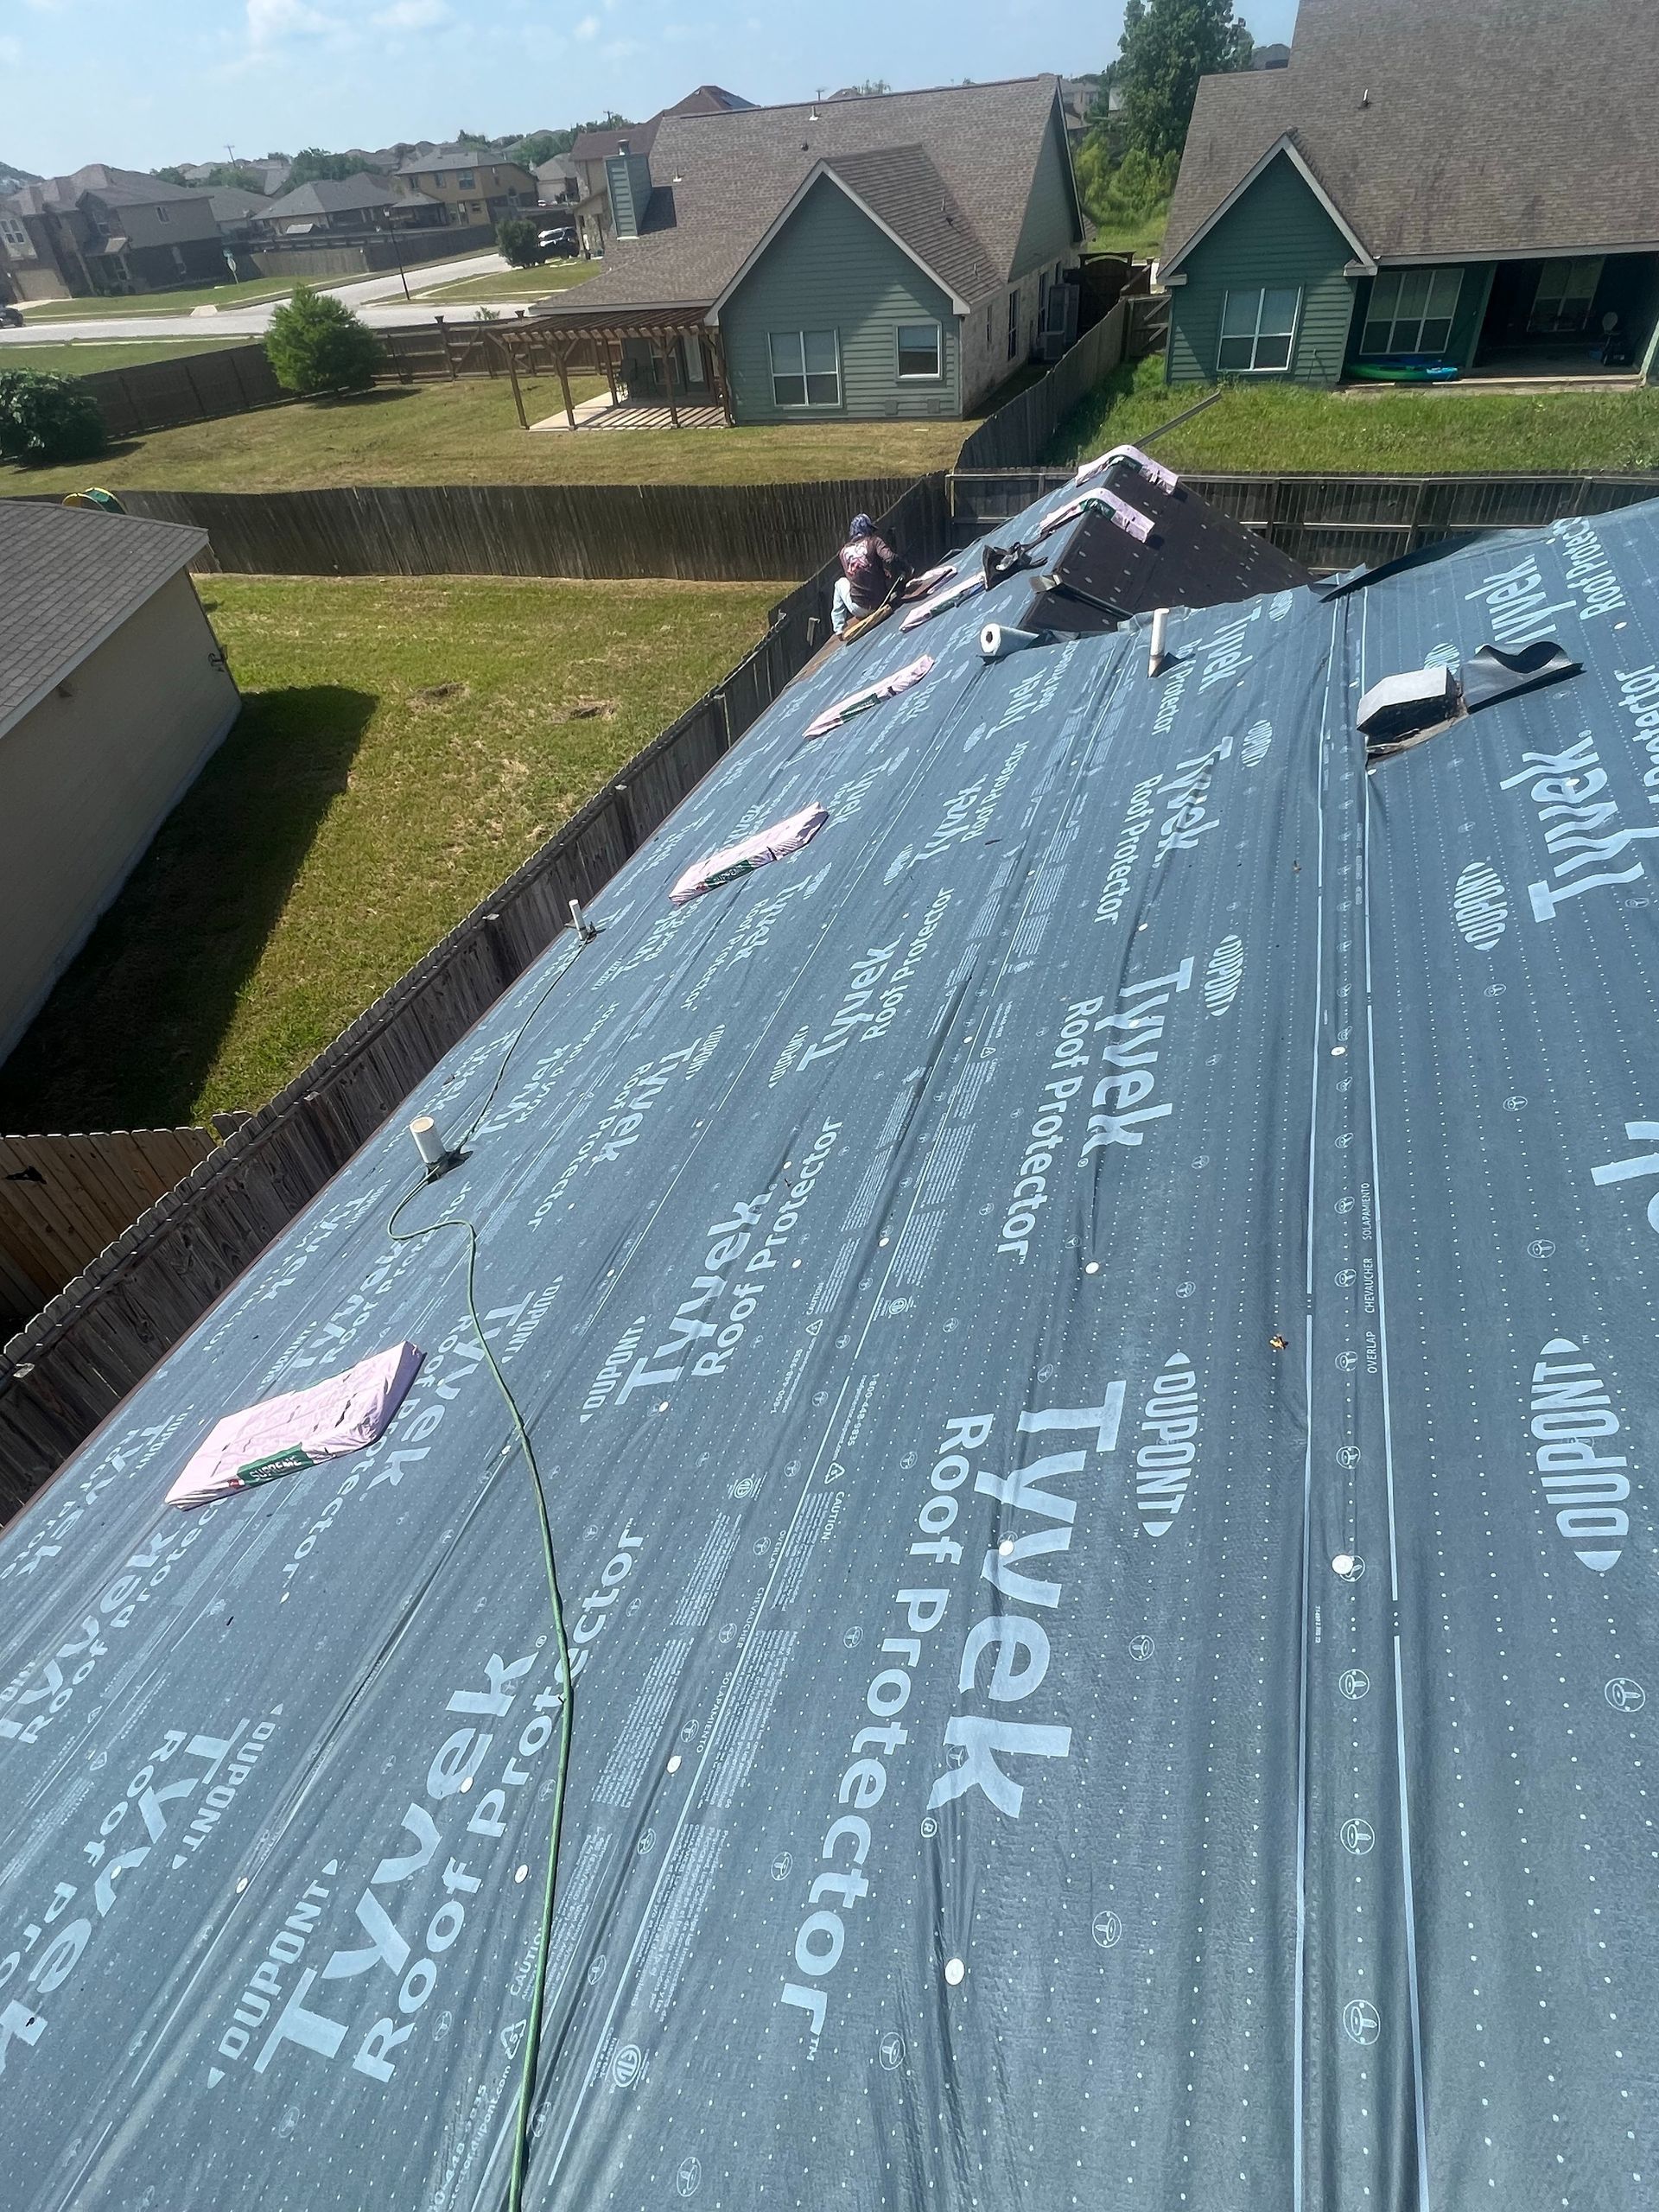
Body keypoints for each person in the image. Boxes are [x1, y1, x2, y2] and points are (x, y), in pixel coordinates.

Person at [832, 512, 904, 634]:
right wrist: (906, 569)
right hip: (881, 601)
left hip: (858, 608)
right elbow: (890, 558)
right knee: (841, 583)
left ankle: (839, 629)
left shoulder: (843, 553)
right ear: (867, 530)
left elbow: (856, 576)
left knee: (840, 583)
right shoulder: (874, 541)